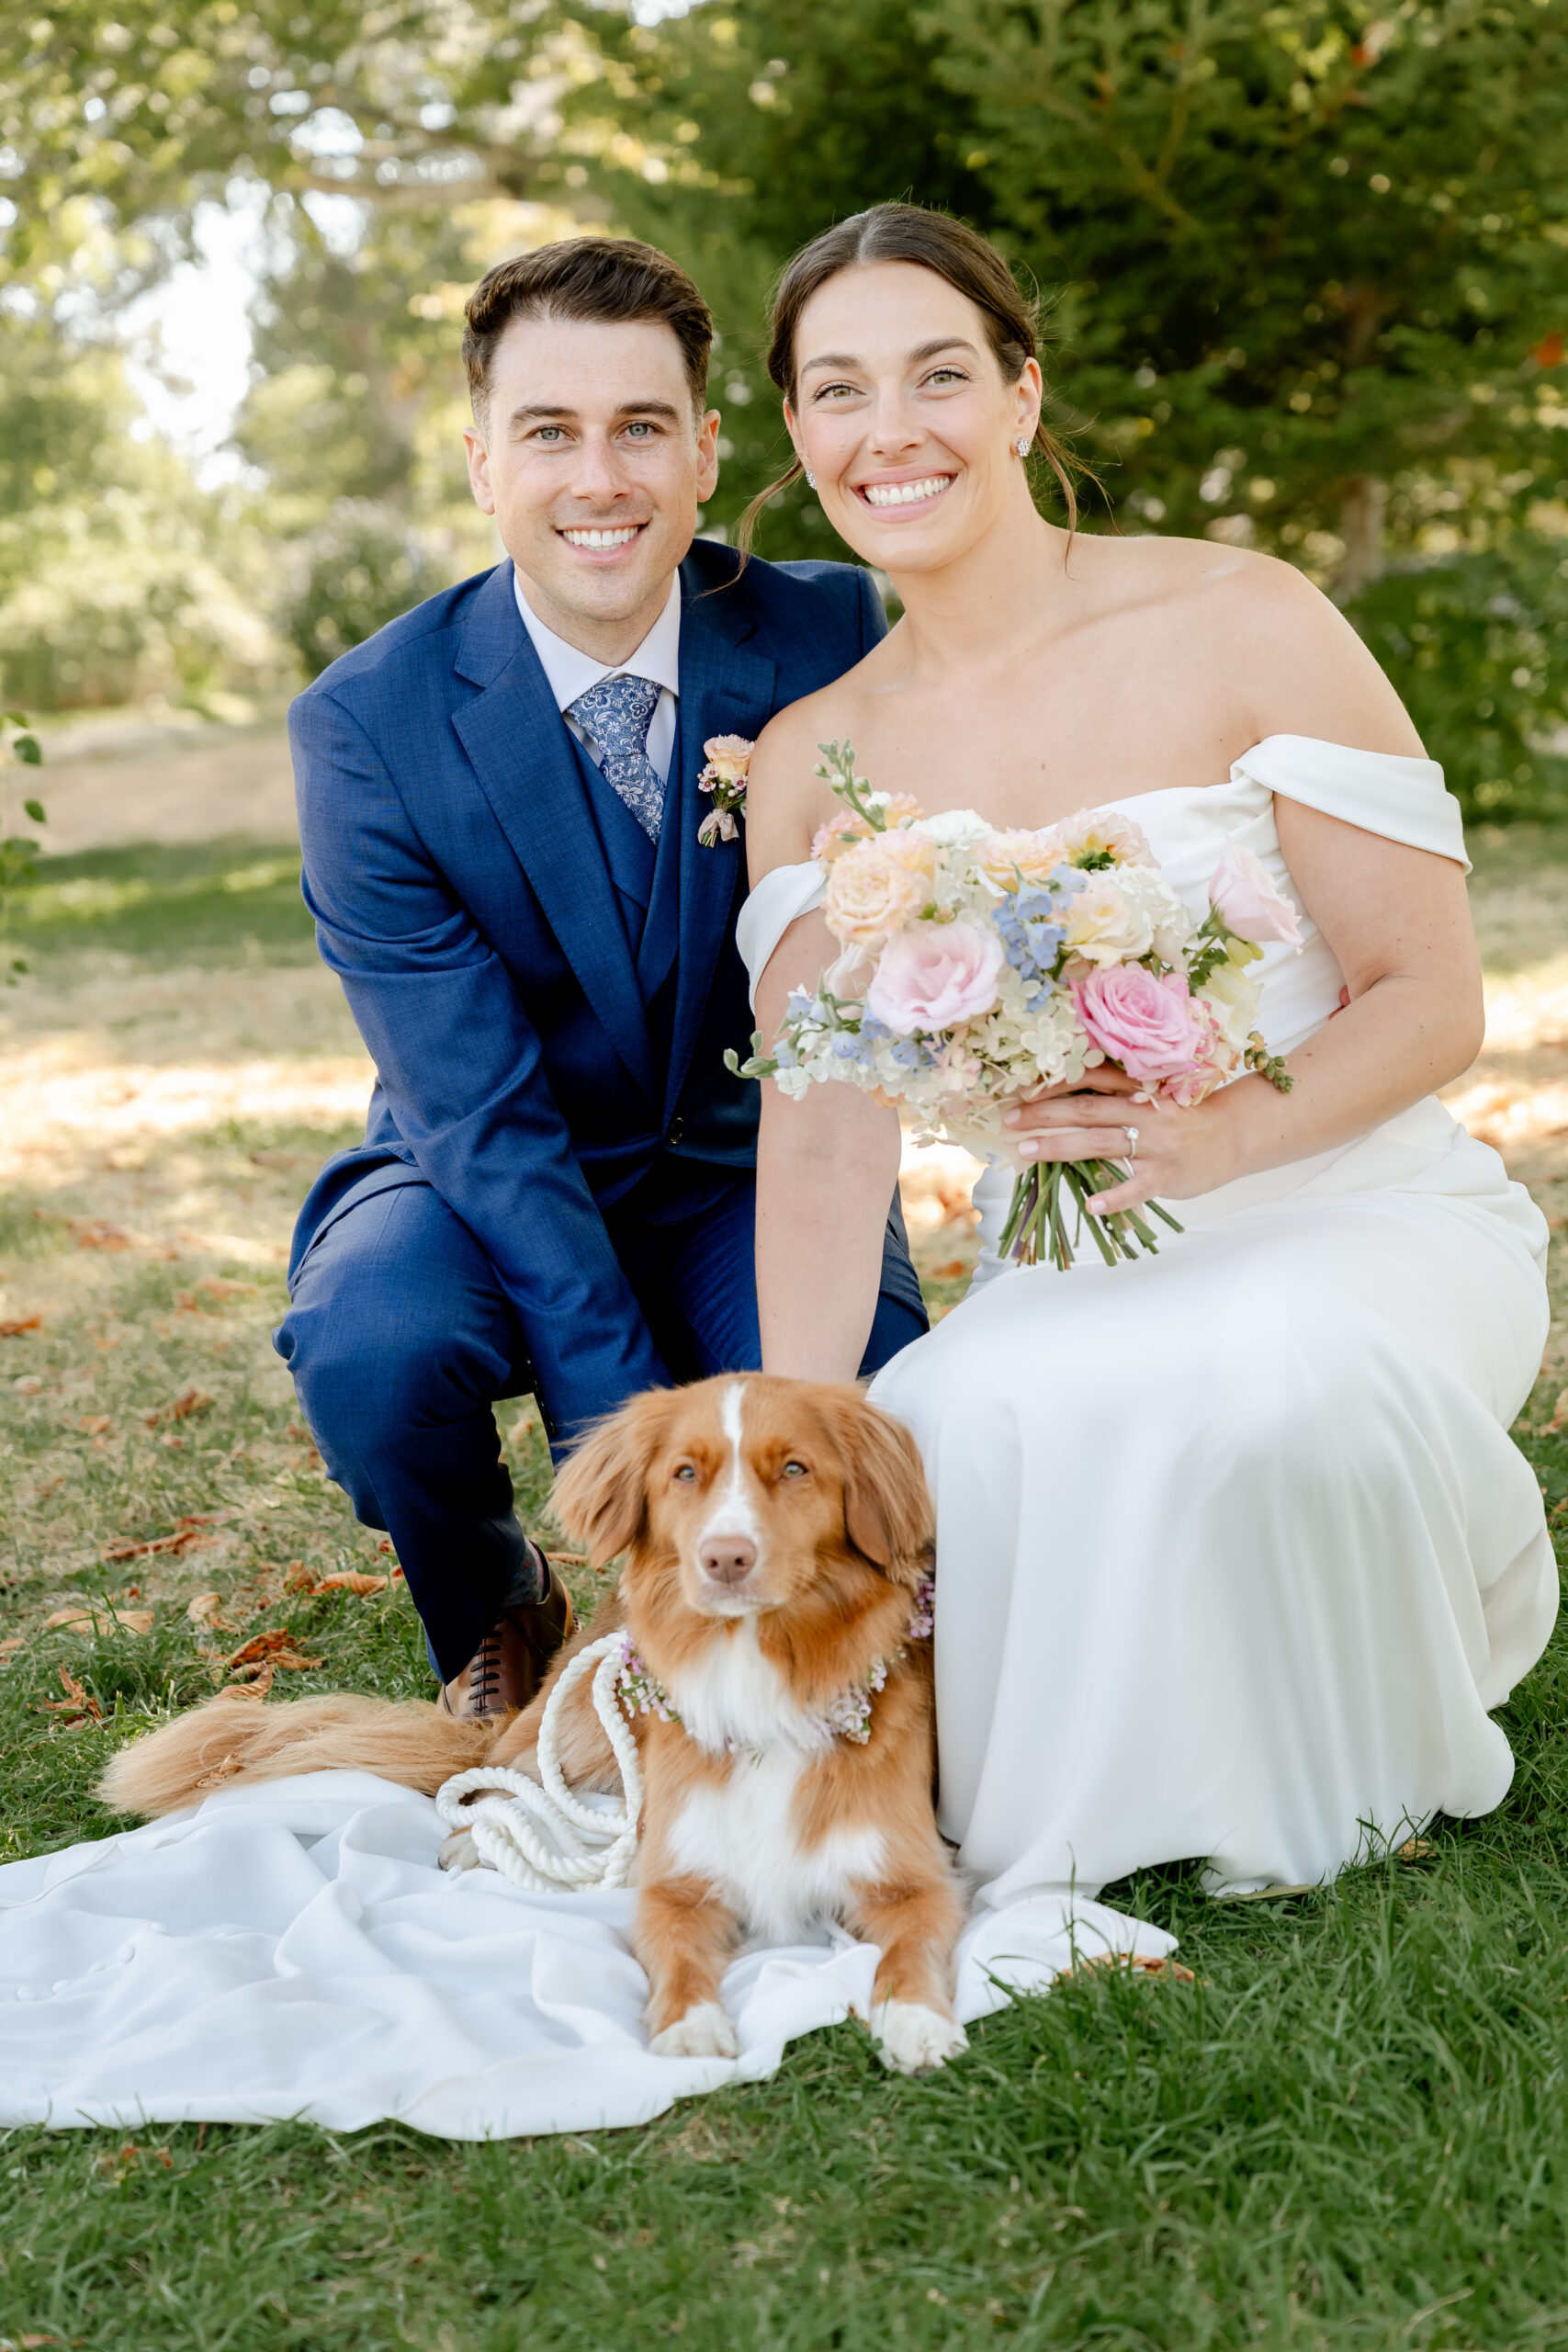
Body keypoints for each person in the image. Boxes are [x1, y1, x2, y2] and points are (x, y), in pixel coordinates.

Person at [739, 203, 1555, 1907]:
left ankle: (1323, 1768)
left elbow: (1432, 994)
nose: (892, 432)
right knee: (969, 1436)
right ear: (801, 433)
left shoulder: (1244, 618)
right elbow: (822, 1139)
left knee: (1263, 1395)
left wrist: (1224, 1139)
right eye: (838, 392)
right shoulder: (818, 757)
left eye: (939, 375)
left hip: (1354, 1204)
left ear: (1024, 397)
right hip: (1067, 1264)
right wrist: (801, 1426)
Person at [275, 237, 928, 1722]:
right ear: (480, 461)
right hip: (480, 1163)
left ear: (704, 452)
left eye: (641, 427)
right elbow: (480, 1116)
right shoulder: (367, 724)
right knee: (376, 1355)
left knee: (872, 1419)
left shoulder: (831, 632)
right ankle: (498, 1600)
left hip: (743, 1173)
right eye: (549, 432)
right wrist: (623, 1460)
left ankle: (834, 1693)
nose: (600, 477)